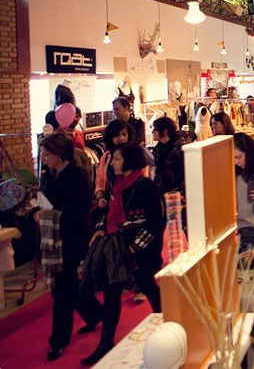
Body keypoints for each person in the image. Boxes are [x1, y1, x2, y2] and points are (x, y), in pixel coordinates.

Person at [79, 143, 163, 365]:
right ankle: (106, 342)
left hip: (140, 251)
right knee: (111, 293)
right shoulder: (116, 185)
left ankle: (168, 325)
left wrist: (136, 247)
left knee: (149, 287)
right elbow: (107, 212)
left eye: (116, 158)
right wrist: (99, 228)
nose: (112, 162)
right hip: (117, 248)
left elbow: (156, 222)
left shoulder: (145, 186)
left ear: (129, 160)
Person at [31, 133, 95, 362]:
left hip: (73, 238)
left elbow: (78, 213)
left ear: (59, 154)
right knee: (67, 286)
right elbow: (44, 201)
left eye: (47, 154)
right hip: (55, 240)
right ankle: (94, 313)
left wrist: (47, 217)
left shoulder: (78, 176)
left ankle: (58, 341)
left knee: (62, 289)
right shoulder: (50, 175)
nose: (44, 158)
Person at [151, 116, 186, 196]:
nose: (153, 132)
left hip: (177, 192)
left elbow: (185, 172)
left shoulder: (179, 148)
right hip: (162, 192)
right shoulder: (158, 148)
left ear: (165, 131)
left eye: (155, 129)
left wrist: (182, 192)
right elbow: (158, 171)